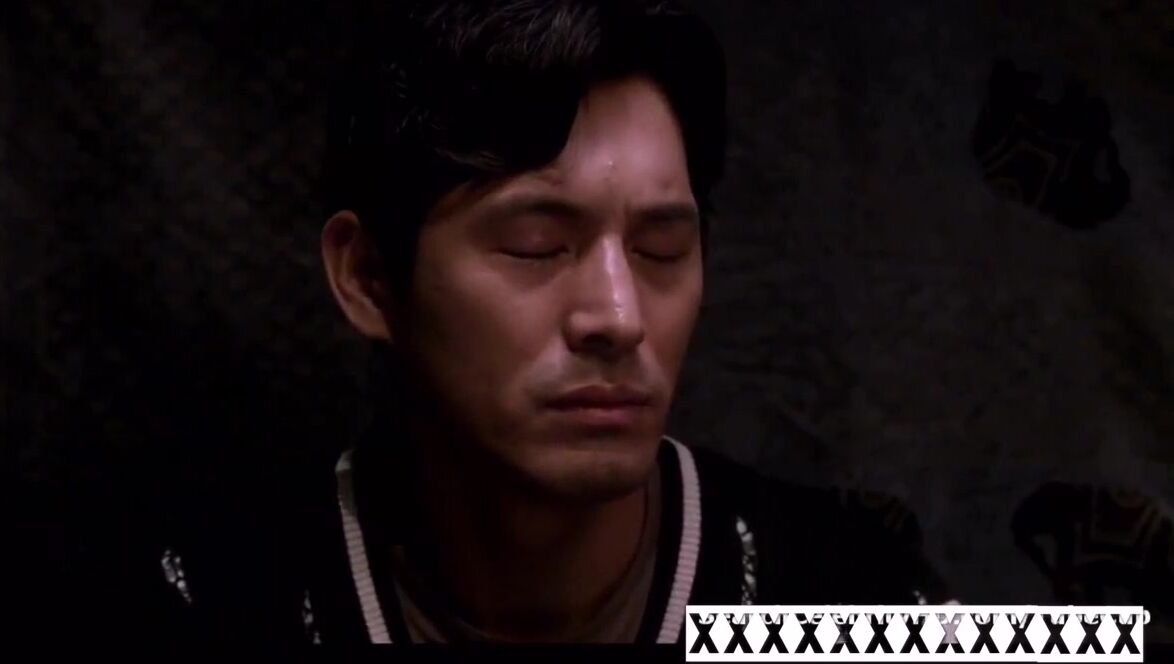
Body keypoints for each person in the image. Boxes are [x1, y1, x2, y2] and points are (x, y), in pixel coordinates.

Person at [161, 0, 955, 644]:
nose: (619, 316)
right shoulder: (208, 605)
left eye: (660, 250)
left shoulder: (848, 599)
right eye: (536, 246)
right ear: (369, 277)